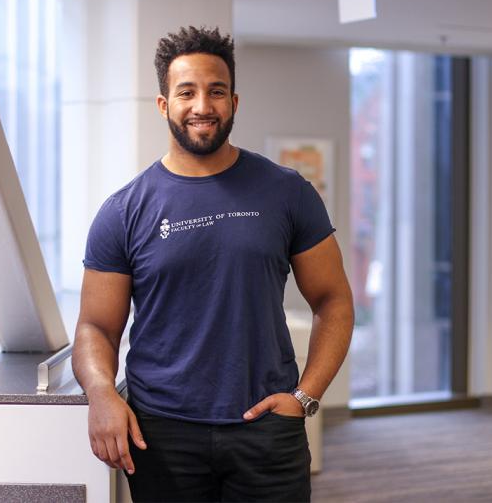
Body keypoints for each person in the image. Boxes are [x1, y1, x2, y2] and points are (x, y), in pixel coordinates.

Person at [72, 26, 354, 502]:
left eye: (216, 91)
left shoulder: (287, 192)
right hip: (162, 435)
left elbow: (335, 301)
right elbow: (95, 328)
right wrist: (102, 394)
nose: (202, 105)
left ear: (234, 102)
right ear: (164, 104)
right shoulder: (124, 210)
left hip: (267, 429)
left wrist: (305, 397)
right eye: (187, 92)